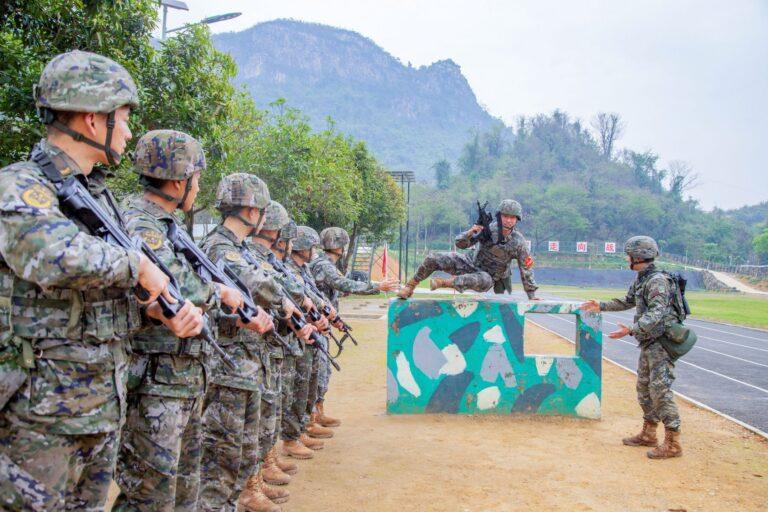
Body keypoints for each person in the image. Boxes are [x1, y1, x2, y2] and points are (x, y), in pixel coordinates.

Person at [0, 50, 196, 510]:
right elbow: (50, 255)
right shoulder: (21, 185)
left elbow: (99, 294)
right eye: (123, 118)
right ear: (93, 120)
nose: (128, 132)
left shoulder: (96, 195)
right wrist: (139, 268)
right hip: (40, 417)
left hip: (100, 409)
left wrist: (153, 309)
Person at [113, 130, 247, 511]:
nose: (199, 187)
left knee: (184, 492)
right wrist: (218, 292)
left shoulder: (168, 226)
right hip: (155, 383)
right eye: (197, 178)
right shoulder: (141, 222)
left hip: (182, 378)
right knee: (149, 497)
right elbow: (182, 284)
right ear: (177, 179)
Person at [198, 174, 309, 512]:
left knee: (244, 445)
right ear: (250, 209)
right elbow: (255, 281)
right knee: (224, 452)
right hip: (228, 363)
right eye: (261, 209)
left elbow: (268, 277)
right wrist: (286, 301)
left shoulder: (239, 248)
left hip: (247, 359)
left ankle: (246, 493)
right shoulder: (219, 246)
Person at [581, 236, 683, 459]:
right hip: (650, 343)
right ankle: (649, 433)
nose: (627, 258)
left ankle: (673, 442)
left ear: (637, 257)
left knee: (661, 391)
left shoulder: (657, 281)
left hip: (661, 344)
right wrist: (602, 306)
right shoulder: (642, 278)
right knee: (644, 389)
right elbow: (628, 301)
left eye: (629, 255)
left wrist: (631, 329)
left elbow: (657, 314)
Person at [309, 227, 399, 426]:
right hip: (316, 324)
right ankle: (311, 417)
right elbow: (344, 283)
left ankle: (317, 412)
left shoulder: (322, 264)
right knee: (319, 371)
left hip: (321, 322)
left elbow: (332, 290)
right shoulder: (325, 265)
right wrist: (377, 287)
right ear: (340, 247)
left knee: (322, 371)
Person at [397, 199, 538, 299]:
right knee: (433, 258)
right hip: (468, 262)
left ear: (517, 219)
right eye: (505, 216)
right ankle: (410, 286)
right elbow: (461, 244)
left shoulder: (519, 242)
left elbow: (526, 268)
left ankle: (444, 283)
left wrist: (531, 294)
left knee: (485, 279)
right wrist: (471, 231)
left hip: (487, 276)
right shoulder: (488, 229)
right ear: (499, 216)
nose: (508, 220)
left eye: (512, 217)